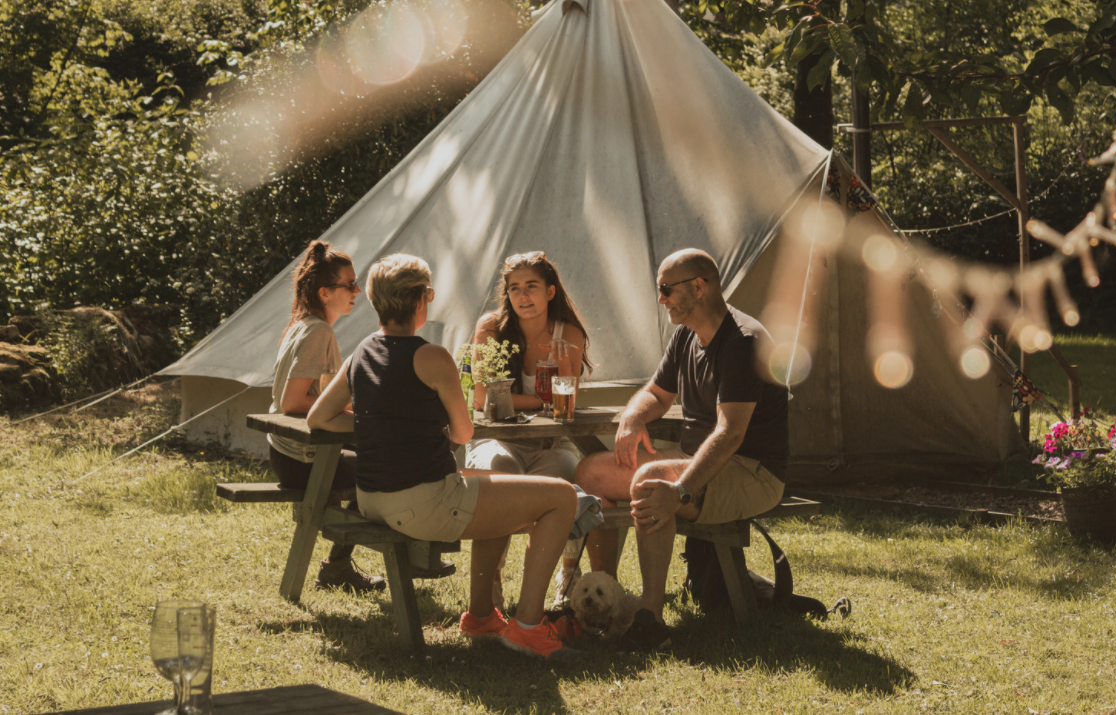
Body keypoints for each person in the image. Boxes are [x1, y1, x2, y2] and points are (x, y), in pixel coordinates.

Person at [307, 253, 580, 659]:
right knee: (562, 496)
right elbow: (464, 431)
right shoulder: (432, 357)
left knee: (496, 485)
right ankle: (526, 627)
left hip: (373, 497)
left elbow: (319, 417)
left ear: (375, 301)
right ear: (422, 300)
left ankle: (483, 616)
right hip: (424, 501)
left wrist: (377, 423)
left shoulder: (361, 352)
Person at [575, 249, 790, 652]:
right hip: (698, 458)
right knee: (590, 473)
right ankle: (604, 600)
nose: (660, 300)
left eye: (665, 289)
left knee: (651, 483)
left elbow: (730, 435)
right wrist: (634, 416)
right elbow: (656, 393)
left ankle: (650, 620)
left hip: (752, 471)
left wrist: (681, 490)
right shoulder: (686, 335)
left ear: (699, 286)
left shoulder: (743, 342)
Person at [467, 251, 591, 608]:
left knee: (563, 486)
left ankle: (563, 578)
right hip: (497, 438)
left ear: (550, 292)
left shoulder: (567, 333)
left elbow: (567, 397)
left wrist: (510, 396)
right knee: (498, 473)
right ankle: (490, 582)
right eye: (514, 288)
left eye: (531, 287)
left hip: (551, 443)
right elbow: (480, 397)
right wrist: (541, 401)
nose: (523, 296)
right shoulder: (491, 327)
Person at [267, 239, 385, 593]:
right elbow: (292, 402)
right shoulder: (318, 331)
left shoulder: (303, 324)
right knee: (384, 468)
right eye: (348, 284)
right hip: (302, 457)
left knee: (374, 457)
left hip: (289, 451)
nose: (357, 290)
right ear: (324, 292)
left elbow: (311, 397)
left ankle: (340, 563)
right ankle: (342, 565)